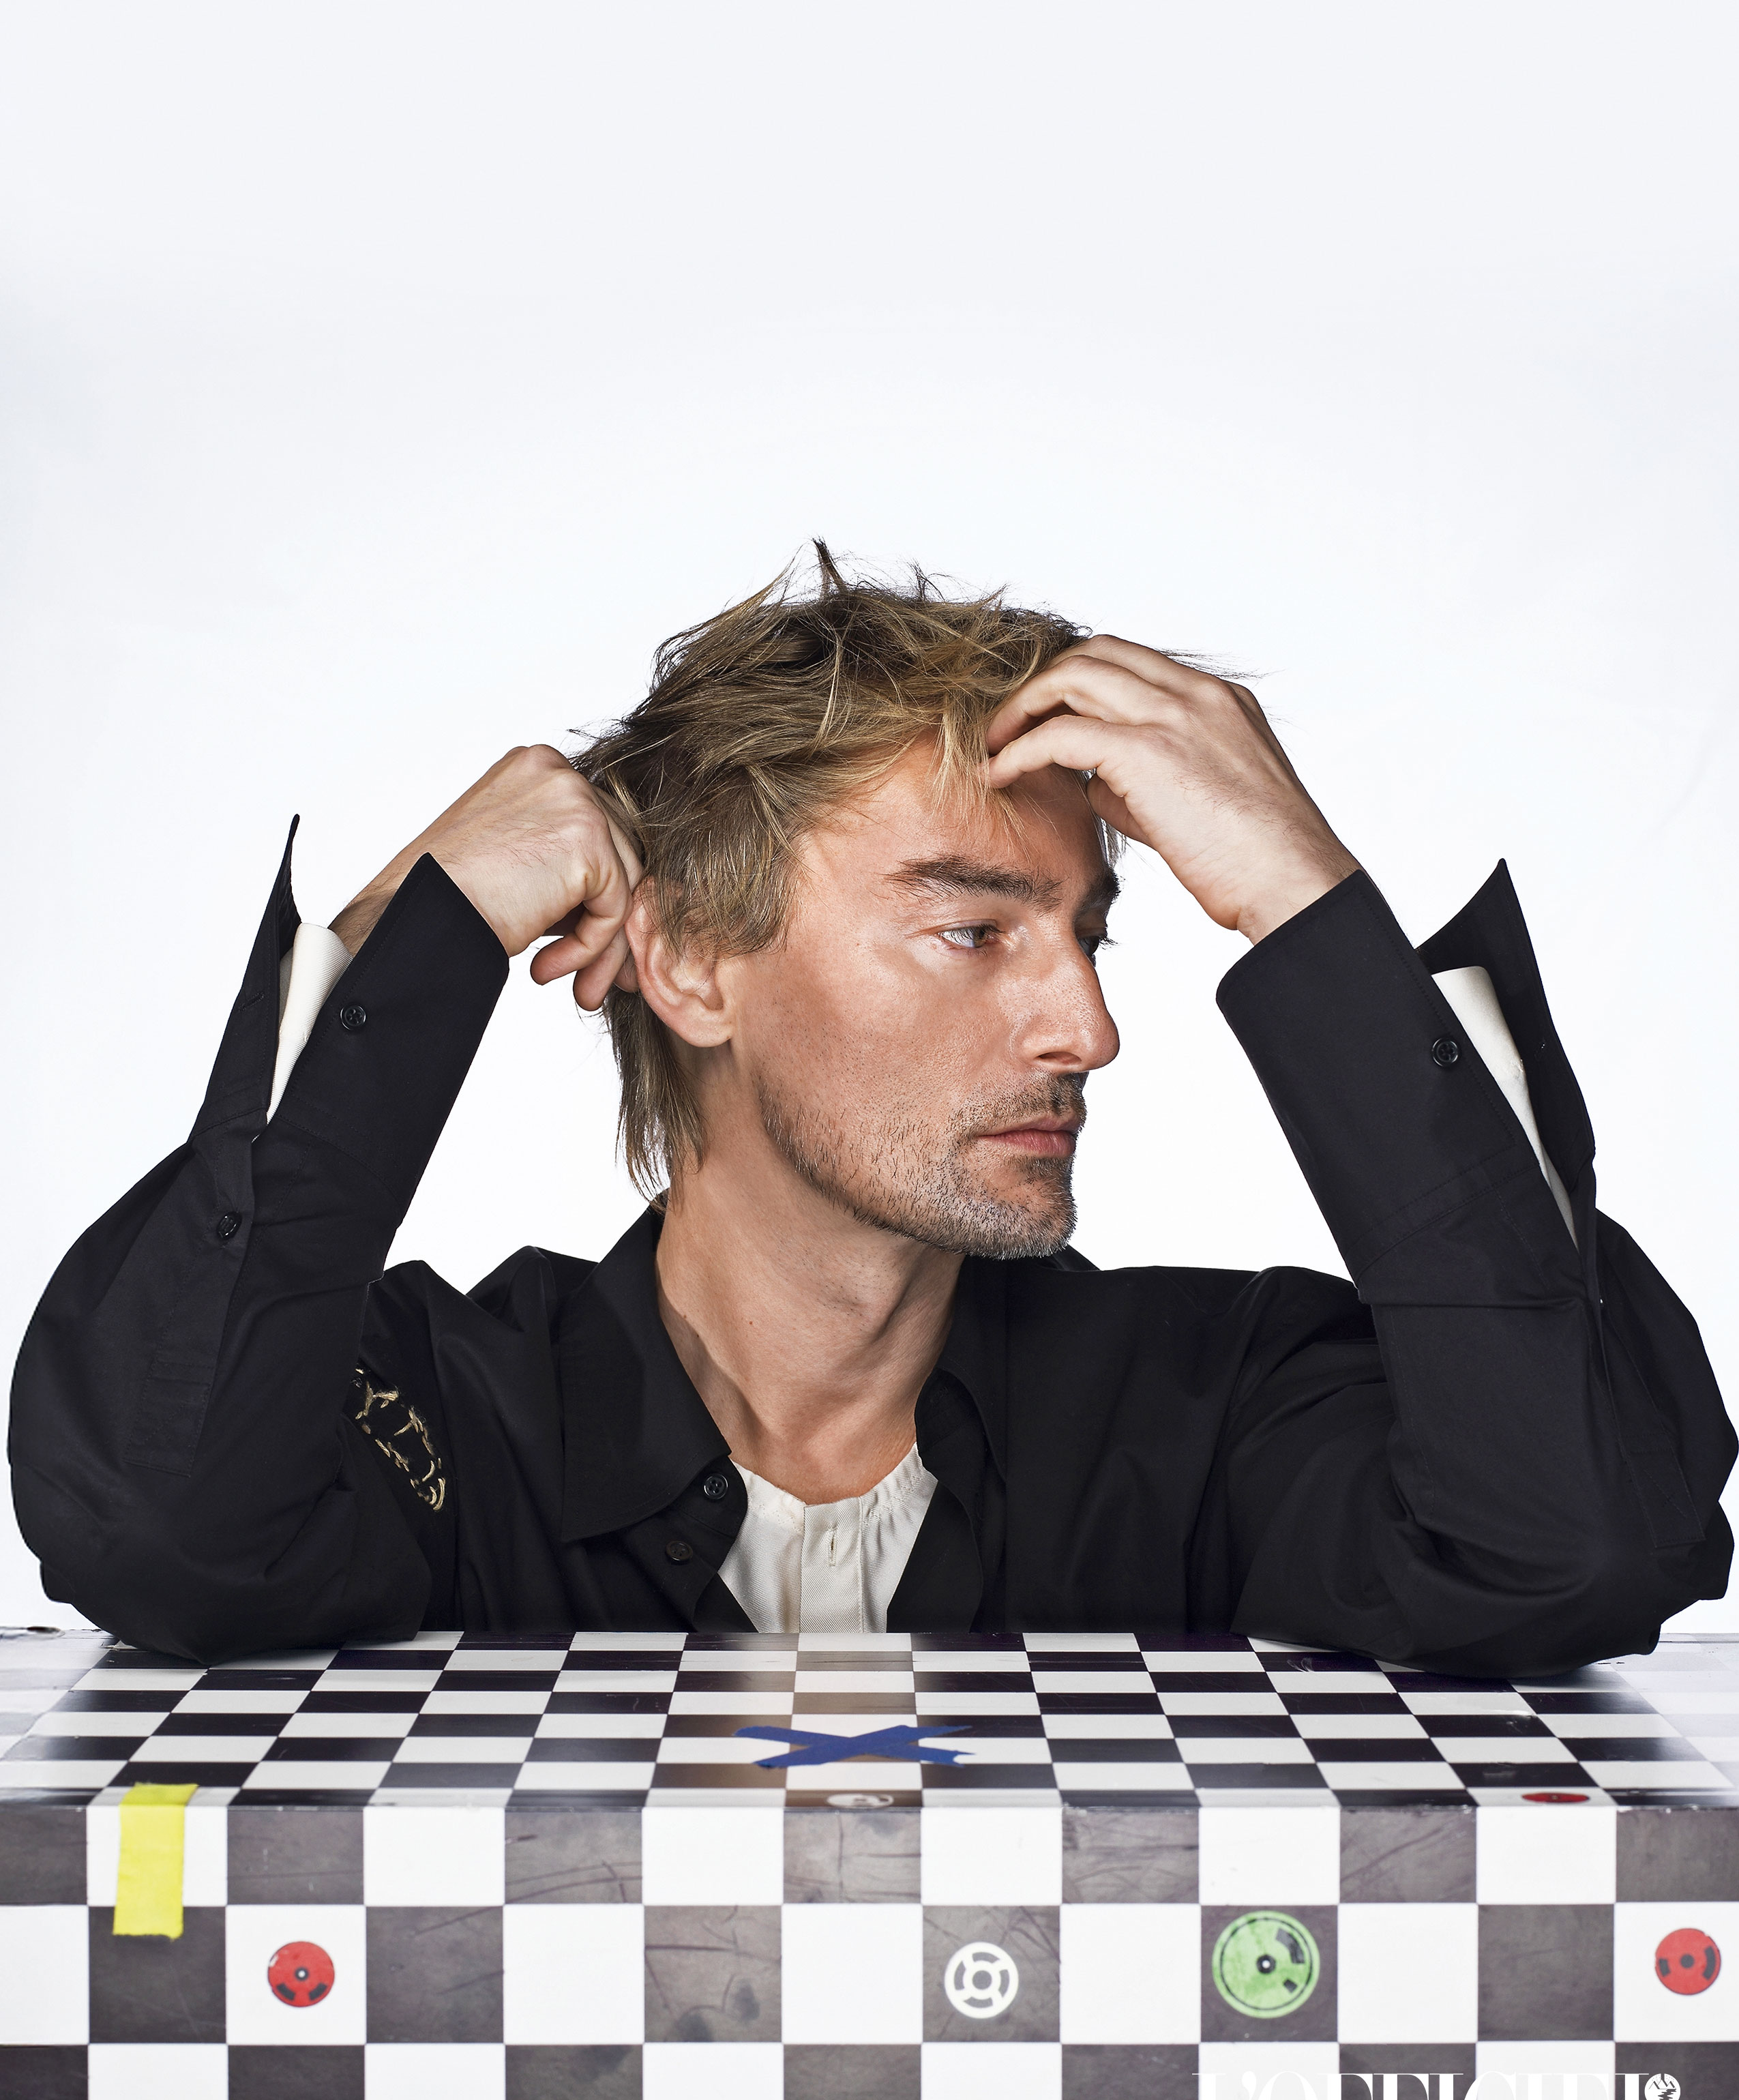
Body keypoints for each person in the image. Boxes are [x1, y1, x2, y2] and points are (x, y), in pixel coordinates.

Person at [10, 552, 1733, 1670]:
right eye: (973, 931)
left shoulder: (1217, 1416)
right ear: (694, 965)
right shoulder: (453, 1418)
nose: (1089, 1029)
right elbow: (155, 1522)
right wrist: (421, 930)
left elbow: (1575, 1541)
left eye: (1086, 935)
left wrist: (1306, 902)